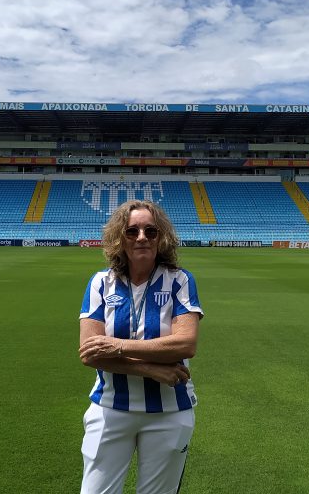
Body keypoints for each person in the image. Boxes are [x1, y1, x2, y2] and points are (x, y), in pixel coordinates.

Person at [79, 200, 203, 494]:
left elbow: (185, 343)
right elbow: (89, 352)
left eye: (151, 230)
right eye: (132, 231)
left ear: (163, 237)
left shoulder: (179, 281)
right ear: (119, 239)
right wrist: (149, 369)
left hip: (169, 412)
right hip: (110, 409)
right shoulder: (101, 284)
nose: (142, 237)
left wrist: (117, 346)